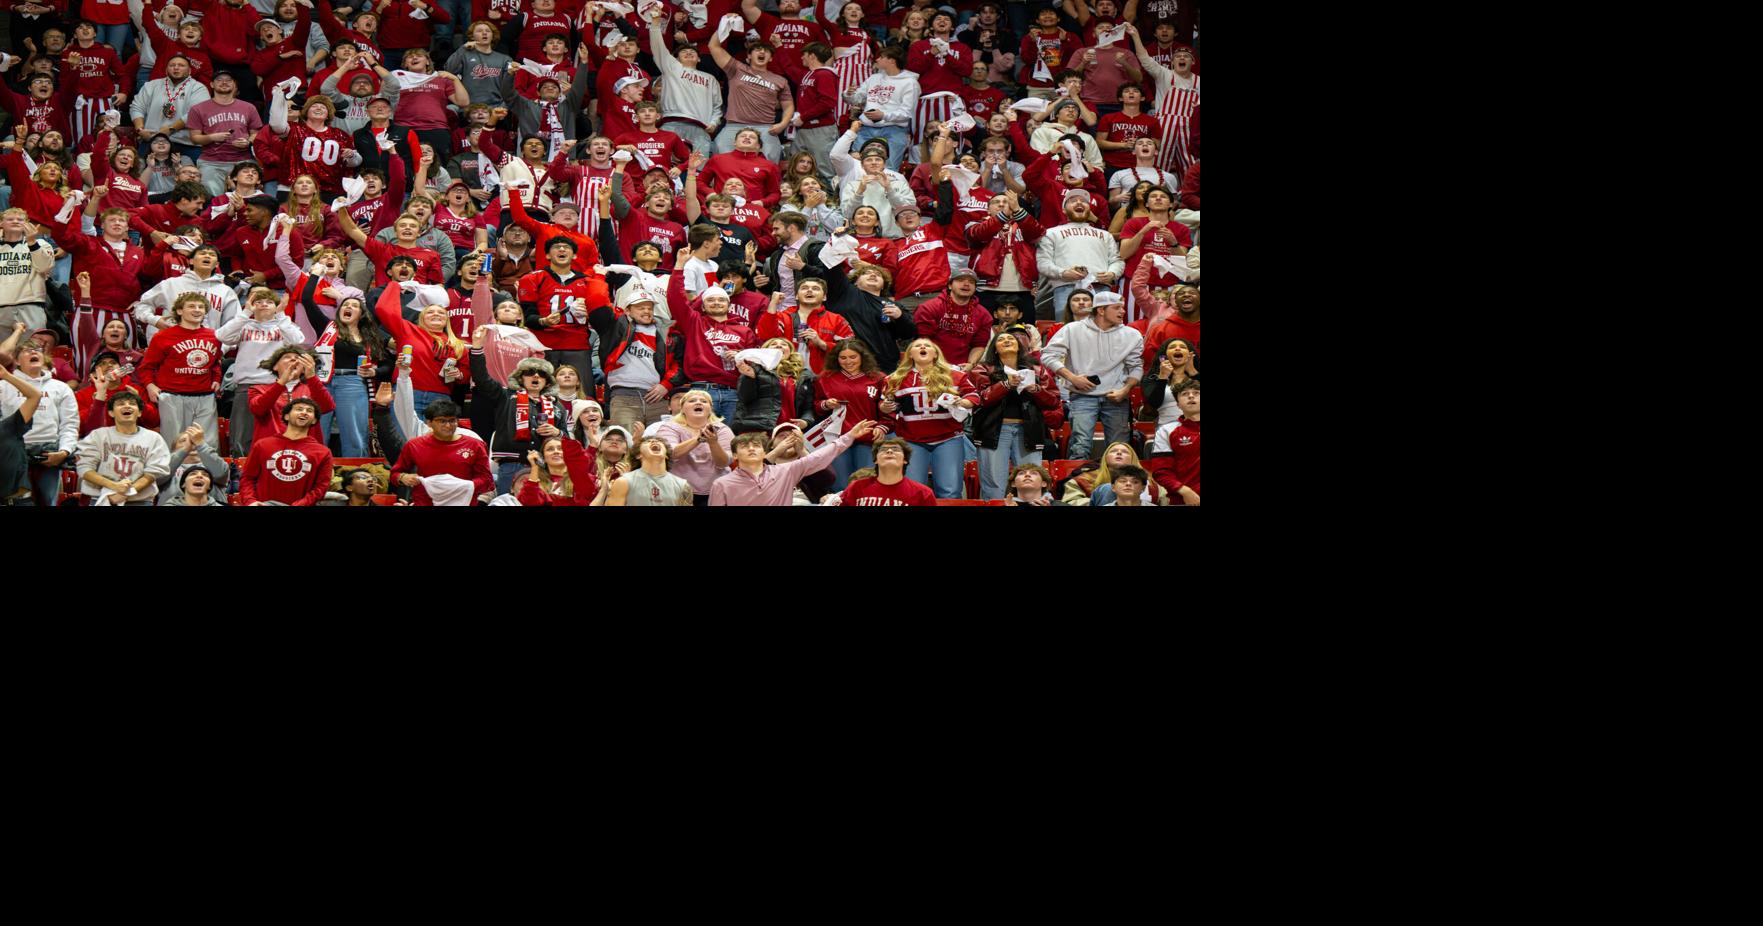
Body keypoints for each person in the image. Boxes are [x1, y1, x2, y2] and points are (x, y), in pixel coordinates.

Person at [1040, 290, 1142, 461]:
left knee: (1120, 449)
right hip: (1082, 395)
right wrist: (1072, 378)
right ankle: (1076, 485)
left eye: (1123, 308)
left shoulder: (1132, 335)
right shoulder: (1072, 329)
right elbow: (1047, 355)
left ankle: (1118, 485)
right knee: (1080, 445)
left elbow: (1136, 366)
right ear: (1101, 310)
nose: (1123, 312)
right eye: (1117, 308)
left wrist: (1126, 389)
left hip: (1116, 397)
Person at [970, 324, 1062, 500]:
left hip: (1028, 431)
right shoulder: (982, 369)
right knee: (994, 484)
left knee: (1031, 482)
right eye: (1001, 339)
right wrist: (1006, 385)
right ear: (995, 349)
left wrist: (1036, 389)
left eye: (1011, 339)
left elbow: (1053, 401)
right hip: (994, 431)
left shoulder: (1037, 369)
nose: (1006, 341)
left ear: (1020, 347)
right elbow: (981, 399)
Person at [469, 337, 570, 496]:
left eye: (541, 374)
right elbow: (481, 379)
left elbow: (568, 440)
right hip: (512, 464)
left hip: (545, 466)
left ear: (548, 382)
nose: (535, 376)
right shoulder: (505, 396)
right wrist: (477, 349)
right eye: (529, 373)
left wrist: (557, 433)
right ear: (520, 378)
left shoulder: (557, 406)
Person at [879, 337, 976, 499]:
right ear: (910, 354)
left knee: (950, 491)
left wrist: (963, 402)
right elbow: (885, 405)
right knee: (913, 491)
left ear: (936, 354)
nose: (922, 347)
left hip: (948, 438)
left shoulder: (954, 374)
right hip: (911, 440)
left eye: (928, 346)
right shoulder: (894, 378)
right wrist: (885, 407)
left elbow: (973, 396)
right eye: (917, 346)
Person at [709, 416, 877, 506]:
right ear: (735, 456)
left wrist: (849, 436)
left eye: (756, 445)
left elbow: (820, 456)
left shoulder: (786, 471)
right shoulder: (722, 484)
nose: (752, 449)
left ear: (763, 452)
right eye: (745, 446)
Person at [138, 292, 222, 444]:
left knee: (207, 444)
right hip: (172, 395)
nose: (197, 310)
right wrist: (150, 386)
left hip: (205, 396)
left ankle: (204, 469)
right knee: (174, 443)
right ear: (179, 311)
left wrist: (216, 378)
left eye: (201, 307)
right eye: (191, 306)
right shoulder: (162, 336)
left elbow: (215, 362)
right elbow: (146, 367)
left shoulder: (214, 336)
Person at [811, 337, 890, 488]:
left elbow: (887, 408)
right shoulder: (825, 378)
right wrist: (826, 404)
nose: (848, 361)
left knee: (866, 484)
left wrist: (882, 426)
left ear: (862, 356)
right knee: (839, 484)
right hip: (837, 437)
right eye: (843, 358)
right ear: (836, 359)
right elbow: (816, 406)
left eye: (853, 357)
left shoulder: (878, 378)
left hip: (868, 436)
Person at [707, 33, 794, 163]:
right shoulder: (736, 69)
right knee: (723, 164)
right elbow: (713, 46)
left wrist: (783, 124)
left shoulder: (780, 80)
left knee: (768, 167)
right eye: (757, 50)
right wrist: (724, 25)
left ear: (770, 58)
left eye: (766, 51)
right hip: (734, 126)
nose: (762, 52)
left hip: (766, 129)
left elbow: (788, 105)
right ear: (748, 56)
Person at [1037, 189, 1123, 320]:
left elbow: (1117, 261)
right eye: (1072, 201)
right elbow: (1043, 263)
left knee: (1104, 329)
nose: (1079, 203)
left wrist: (1112, 274)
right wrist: (1063, 273)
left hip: (1099, 286)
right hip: (1065, 287)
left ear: (1089, 208)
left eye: (1083, 201)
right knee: (1067, 330)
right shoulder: (1050, 233)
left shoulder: (1105, 235)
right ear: (1064, 210)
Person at [73, 390, 171, 506]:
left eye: (132, 403)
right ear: (111, 413)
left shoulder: (154, 438)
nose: (127, 406)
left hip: (139, 500)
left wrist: (126, 493)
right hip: (100, 498)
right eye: (121, 404)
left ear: (139, 412)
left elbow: (152, 473)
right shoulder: (97, 436)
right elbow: (84, 469)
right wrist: (114, 486)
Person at [388, 398, 494, 505]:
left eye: (452, 420)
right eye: (442, 421)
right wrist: (403, 477)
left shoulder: (475, 445)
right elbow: (394, 474)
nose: (448, 425)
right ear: (429, 422)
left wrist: (464, 486)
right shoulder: (414, 445)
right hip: (424, 502)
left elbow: (487, 481)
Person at [646, 15, 722, 157]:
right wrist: (655, 24)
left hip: (700, 128)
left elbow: (717, 106)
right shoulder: (671, 68)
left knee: (698, 170)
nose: (688, 52)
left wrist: (714, 122)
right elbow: (658, 46)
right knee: (667, 166)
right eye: (684, 52)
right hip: (671, 123)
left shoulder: (710, 79)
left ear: (699, 58)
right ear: (675, 59)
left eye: (692, 52)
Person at [238, 396, 334, 506]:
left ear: (314, 420)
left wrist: (300, 504)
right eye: (299, 409)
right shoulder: (262, 445)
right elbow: (247, 478)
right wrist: (250, 501)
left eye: (309, 411)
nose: (304, 412)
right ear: (286, 416)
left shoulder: (323, 452)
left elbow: (321, 487)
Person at [647, 388, 733, 506]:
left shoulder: (722, 429)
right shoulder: (669, 427)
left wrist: (713, 443)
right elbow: (670, 454)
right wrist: (698, 439)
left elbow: (724, 463)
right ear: (682, 409)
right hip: (677, 490)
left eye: (704, 401)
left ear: (710, 409)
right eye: (692, 401)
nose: (698, 403)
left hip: (715, 489)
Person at [732, 337, 815, 435]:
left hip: (788, 430)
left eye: (784, 344)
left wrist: (806, 421)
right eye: (774, 344)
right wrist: (750, 378)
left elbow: (808, 407)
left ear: (791, 351)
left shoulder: (803, 375)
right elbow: (744, 399)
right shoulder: (754, 369)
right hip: (757, 429)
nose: (779, 345)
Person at [913, 267, 993, 367]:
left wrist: (970, 364)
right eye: (960, 280)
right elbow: (923, 341)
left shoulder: (984, 315)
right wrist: (936, 364)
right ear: (950, 285)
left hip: (962, 368)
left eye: (971, 282)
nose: (966, 284)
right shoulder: (928, 308)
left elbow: (979, 345)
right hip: (930, 364)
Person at [1147, 379, 1199, 506]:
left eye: (1196, 393)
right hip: (1184, 499)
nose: (1191, 396)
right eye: (1185, 394)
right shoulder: (1166, 431)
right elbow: (1161, 471)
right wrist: (1184, 490)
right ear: (1178, 404)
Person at [602, 433, 693, 506]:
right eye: (648, 441)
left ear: (666, 455)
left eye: (659, 442)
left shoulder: (683, 485)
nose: (654, 441)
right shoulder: (623, 482)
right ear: (638, 455)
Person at [0, 208, 53, 333]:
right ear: (1, 223)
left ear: (27, 223)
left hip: (31, 305)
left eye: (20, 219)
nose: (15, 221)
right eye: (10, 219)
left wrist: (32, 242)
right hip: (1, 306)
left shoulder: (41, 244)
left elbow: (44, 267)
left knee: (31, 349)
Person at [839, 436, 935, 505]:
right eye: (883, 449)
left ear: (905, 460)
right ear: (876, 460)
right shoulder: (856, 487)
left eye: (895, 449)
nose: (889, 451)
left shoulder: (923, 493)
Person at [514, 434, 599, 506]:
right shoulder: (534, 482)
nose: (556, 452)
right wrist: (535, 466)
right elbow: (528, 502)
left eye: (560, 448)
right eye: (550, 449)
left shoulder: (581, 478)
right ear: (543, 458)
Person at [1139, 337, 1198, 427]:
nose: (1177, 348)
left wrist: (1193, 372)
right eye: (1172, 347)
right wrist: (1163, 377)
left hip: (1196, 429)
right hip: (1166, 428)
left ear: (1190, 355)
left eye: (1182, 347)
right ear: (1164, 356)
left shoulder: (1196, 375)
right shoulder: (1152, 378)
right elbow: (1154, 403)